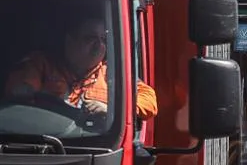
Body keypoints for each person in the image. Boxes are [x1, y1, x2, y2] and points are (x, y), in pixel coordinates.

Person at [6, 18, 158, 120]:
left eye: (103, 39)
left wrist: (111, 109)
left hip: (95, 148)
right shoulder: (41, 64)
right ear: (70, 41)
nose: (99, 45)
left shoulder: (112, 74)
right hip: (46, 144)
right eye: (90, 38)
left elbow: (149, 100)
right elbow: (19, 93)